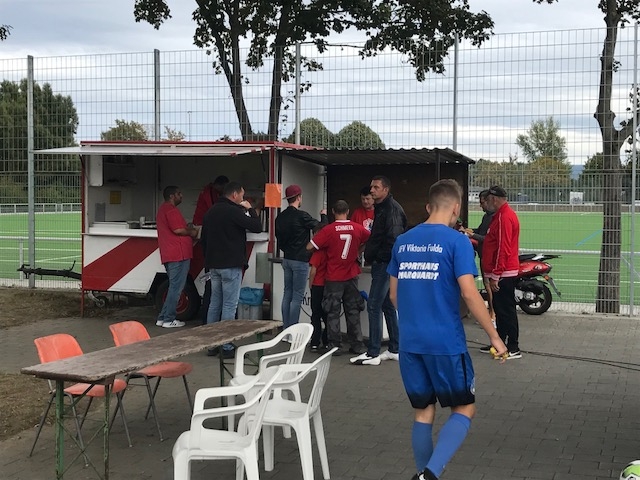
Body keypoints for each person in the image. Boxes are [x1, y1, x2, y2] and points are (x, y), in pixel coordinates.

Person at [387, 179, 507, 480]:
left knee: (423, 411)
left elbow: (393, 296)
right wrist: (494, 336)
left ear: (429, 206)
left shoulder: (403, 241)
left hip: (411, 342)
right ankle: (429, 474)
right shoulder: (458, 242)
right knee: (464, 408)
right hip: (445, 343)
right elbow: (469, 293)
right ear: (456, 207)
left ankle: (423, 474)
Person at [201, 181, 262, 357]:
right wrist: (250, 209)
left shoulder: (211, 211)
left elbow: (204, 239)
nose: (243, 198)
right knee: (229, 304)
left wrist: (209, 260)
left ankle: (212, 344)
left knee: (215, 303)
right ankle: (226, 345)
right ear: (234, 195)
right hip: (230, 265)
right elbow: (257, 227)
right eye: (242, 195)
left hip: (214, 265)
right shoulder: (234, 212)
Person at [351, 175, 406, 366]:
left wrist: (379, 257)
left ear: (385, 189)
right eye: (371, 187)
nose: (372, 190)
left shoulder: (391, 210)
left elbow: (393, 239)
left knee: (373, 305)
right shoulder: (382, 208)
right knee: (387, 305)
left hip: (385, 264)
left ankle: (373, 352)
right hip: (382, 263)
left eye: (375, 187)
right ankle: (395, 348)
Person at [307, 200, 370, 356]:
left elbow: (310, 246)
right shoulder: (357, 228)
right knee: (353, 310)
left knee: (332, 311)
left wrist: (325, 247)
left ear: (333, 212)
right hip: (351, 274)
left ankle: (335, 345)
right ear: (348, 211)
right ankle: (357, 344)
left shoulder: (328, 230)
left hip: (334, 276)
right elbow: (371, 238)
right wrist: (359, 250)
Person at [275, 184, 327, 329]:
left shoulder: (280, 217)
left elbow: (279, 240)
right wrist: (323, 215)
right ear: (299, 197)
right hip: (300, 260)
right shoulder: (302, 216)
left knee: (287, 294)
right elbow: (322, 228)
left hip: (287, 259)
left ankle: (286, 329)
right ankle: (293, 330)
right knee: (297, 296)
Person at [480, 185, 522, 360]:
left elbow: (503, 248)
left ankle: (513, 347)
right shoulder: (500, 216)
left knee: (506, 310)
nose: (485, 203)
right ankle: (500, 342)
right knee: (500, 308)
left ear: (494, 199)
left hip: (503, 273)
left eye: (487, 200)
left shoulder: (504, 217)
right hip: (500, 272)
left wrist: (496, 275)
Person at [155, 186, 198, 328]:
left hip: (171, 253)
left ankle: (162, 317)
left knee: (173, 286)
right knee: (176, 288)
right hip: (178, 254)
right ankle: (169, 319)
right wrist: (192, 232)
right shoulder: (171, 210)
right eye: (179, 194)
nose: (181, 196)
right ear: (172, 196)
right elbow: (178, 230)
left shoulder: (163, 209)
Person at [193, 175, 229, 324]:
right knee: (220, 297)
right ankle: (213, 323)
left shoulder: (211, 196)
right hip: (218, 260)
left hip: (211, 259)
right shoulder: (208, 196)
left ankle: (207, 322)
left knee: (213, 293)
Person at [463, 189, 496, 322]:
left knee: (490, 286)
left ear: (489, 201)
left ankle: (492, 314)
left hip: (490, 257)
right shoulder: (486, 216)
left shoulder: (494, 218)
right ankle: (490, 312)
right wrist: (469, 230)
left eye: (482, 203)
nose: (481, 206)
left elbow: (488, 238)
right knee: (487, 285)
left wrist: (472, 235)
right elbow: (481, 231)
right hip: (484, 255)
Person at [308, 227, 329, 352]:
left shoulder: (318, 253)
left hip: (317, 285)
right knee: (327, 314)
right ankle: (327, 341)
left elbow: (313, 271)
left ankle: (315, 342)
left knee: (316, 315)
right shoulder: (330, 251)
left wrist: (310, 284)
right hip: (329, 284)